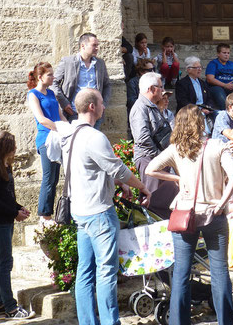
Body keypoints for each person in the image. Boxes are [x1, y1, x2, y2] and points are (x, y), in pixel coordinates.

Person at [62, 88, 151, 325]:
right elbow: (118, 168)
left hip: (80, 211)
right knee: (105, 272)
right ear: (92, 106)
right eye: (101, 102)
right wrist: (141, 186)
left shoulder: (69, 134)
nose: (104, 106)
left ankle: (88, 322)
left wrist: (118, 183)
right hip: (99, 212)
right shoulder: (94, 137)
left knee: (85, 272)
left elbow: (91, 168)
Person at [145, 104, 233, 325]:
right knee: (219, 272)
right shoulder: (217, 146)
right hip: (213, 214)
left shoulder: (176, 148)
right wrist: (222, 202)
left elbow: (150, 169)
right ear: (201, 123)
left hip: (185, 213)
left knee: (180, 272)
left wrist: (177, 178)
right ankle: (225, 321)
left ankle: (179, 322)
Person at [129, 72, 177, 218]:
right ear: (151, 89)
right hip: (148, 159)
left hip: (157, 159)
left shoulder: (152, 107)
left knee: (163, 199)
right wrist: (160, 158)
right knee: (153, 200)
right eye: (160, 87)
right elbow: (143, 138)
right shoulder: (140, 108)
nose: (163, 91)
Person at [27, 61, 67, 227]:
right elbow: (42, 119)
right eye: (49, 74)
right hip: (46, 139)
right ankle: (44, 215)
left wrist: (70, 129)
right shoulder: (33, 95)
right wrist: (60, 128)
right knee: (49, 178)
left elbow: (60, 114)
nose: (53, 77)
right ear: (40, 77)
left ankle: (50, 214)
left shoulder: (51, 93)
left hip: (58, 138)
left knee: (56, 178)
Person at [0, 131, 31, 320]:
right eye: (13, 146)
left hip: (6, 220)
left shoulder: (6, 166)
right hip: (0, 222)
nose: (16, 150)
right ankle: (10, 307)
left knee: (0, 263)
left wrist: (19, 208)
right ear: (6, 148)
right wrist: (14, 213)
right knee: (4, 264)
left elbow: (7, 197)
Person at [52, 32, 111, 129]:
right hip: (74, 113)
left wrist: (103, 104)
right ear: (83, 46)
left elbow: (107, 85)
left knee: (92, 142)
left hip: (95, 114)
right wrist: (64, 103)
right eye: (94, 45)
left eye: (97, 45)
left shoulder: (100, 63)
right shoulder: (68, 62)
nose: (97, 48)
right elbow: (54, 83)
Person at [205, 44, 233, 110]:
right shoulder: (213, 63)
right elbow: (210, 79)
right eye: (224, 53)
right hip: (218, 87)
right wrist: (225, 85)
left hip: (232, 87)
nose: (226, 55)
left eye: (228, 53)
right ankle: (226, 112)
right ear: (218, 54)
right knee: (218, 91)